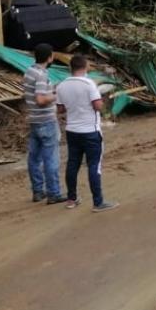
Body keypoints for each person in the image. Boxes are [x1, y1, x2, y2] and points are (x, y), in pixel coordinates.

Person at [56, 54, 118, 212]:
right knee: (93, 165)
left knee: (72, 164)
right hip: (90, 131)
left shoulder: (62, 85)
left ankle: (71, 198)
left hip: (72, 131)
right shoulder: (89, 84)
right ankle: (98, 202)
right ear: (85, 67)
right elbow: (97, 106)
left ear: (71, 67)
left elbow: (61, 109)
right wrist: (103, 100)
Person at [24, 43, 67, 204]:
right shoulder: (41, 75)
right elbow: (41, 99)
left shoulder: (30, 71)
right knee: (51, 159)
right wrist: (56, 94)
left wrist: (52, 89)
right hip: (46, 120)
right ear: (50, 57)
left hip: (34, 120)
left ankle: (37, 191)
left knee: (34, 158)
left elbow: (38, 93)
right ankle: (54, 193)